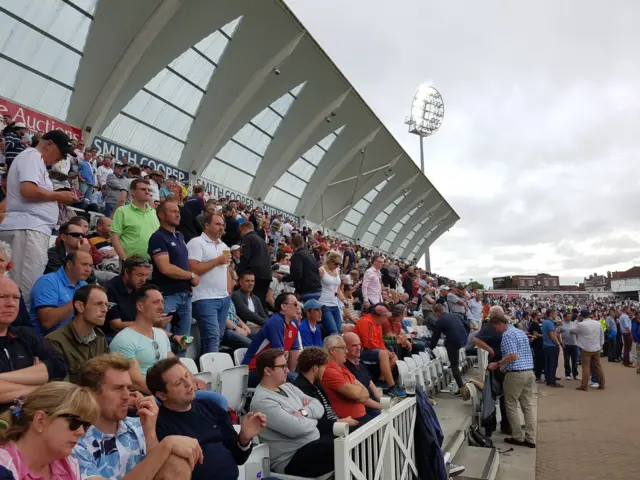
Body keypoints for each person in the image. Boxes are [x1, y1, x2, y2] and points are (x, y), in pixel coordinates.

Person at [73, 354, 202, 480]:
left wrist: (150, 433)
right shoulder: (75, 442)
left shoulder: (139, 424)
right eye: (118, 388)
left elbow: (162, 472)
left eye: (128, 388)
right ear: (91, 394)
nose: (126, 395)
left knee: (176, 462)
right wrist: (166, 445)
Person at [147, 357, 267, 480]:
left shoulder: (211, 407)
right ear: (162, 395)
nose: (188, 383)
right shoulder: (159, 424)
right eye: (178, 383)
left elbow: (238, 458)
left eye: (187, 376)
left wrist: (244, 438)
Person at [0, 130, 76, 308]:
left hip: (28, 227)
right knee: (23, 291)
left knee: (16, 288)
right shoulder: (33, 156)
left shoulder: (34, 160)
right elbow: (28, 191)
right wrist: (59, 197)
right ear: (48, 144)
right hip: (28, 228)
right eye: (61, 152)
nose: (61, 158)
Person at [250, 349, 334, 476]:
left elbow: (318, 405)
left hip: (313, 444)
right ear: (267, 371)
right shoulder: (262, 402)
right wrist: (313, 416)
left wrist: (304, 413)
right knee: (339, 447)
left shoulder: (288, 386)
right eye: (283, 366)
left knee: (352, 432)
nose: (288, 370)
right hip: (291, 459)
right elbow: (297, 429)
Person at [0, 382, 99, 480]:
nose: (81, 432)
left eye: (85, 425)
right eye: (75, 422)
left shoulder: (69, 465)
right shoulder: (4, 467)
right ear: (40, 420)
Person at [0, 276, 67, 411]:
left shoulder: (26, 335)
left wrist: (3, 379)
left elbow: (59, 366)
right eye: (2, 297)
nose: (11, 303)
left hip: (30, 419)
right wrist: (38, 385)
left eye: (16, 298)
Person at [148, 200, 199, 342]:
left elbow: (183, 263)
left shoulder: (180, 236)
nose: (178, 215)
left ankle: (180, 363)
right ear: (161, 215)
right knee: (162, 339)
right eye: (173, 212)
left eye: (178, 212)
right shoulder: (157, 237)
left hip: (185, 294)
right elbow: (165, 268)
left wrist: (188, 284)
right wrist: (191, 275)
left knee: (184, 341)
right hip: (168, 296)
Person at [487, 316, 536, 449]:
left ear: (500, 324)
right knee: (527, 406)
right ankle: (530, 438)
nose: (496, 330)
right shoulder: (520, 332)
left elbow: (513, 355)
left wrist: (498, 364)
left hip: (515, 374)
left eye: (495, 327)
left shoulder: (507, 335)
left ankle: (517, 436)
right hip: (529, 371)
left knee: (511, 405)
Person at [45, 285, 110, 384]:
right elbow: (61, 388)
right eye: (98, 304)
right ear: (80, 306)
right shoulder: (55, 341)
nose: (105, 309)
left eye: (106, 305)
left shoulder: (99, 336)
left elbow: (108, 374)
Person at [187, 212, 232, 353]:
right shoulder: (196, 243)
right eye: (217, 224)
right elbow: (192, 269)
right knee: (212, 337)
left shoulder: (224, 246)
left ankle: (207, 365)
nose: (221, 228)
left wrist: (228, 291)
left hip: (223, 298)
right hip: (204, 298)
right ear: (206, 225)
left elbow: (227, 269)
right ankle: (212, 370)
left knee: (217, 337)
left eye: (223, 225)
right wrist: (217, 261)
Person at [293, 347, 359, 435]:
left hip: (334, 424)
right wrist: (339, 421)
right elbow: (314, 421)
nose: (325, 370)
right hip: (324, 432)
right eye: (323, 367)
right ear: (315, 368)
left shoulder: (317, 384)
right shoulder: (300, 389)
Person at [242, 292, 300, 387]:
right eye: (295, 304)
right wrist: (290, 376)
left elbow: (294, 352)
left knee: (302, 380)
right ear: (284, 306)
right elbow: (278, 354)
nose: (298, 307)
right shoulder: (276, 322)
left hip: (274, 369)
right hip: (254, 371)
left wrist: (291, 373)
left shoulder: (293, 323)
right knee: (298, 381)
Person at [30, 251, 93, 335]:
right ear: (69, 264)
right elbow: (47, 322)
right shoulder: (48, 282)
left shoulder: (83, 285)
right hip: (48, 342)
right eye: (84, 264)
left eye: (90, 265)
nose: (88, 269)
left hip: (76, 337)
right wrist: (77, 299)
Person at [322, 335, 378, 426]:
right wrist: (359, 393)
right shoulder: (328, 371)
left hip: (361, 418)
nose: (346, 351)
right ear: (332, 350)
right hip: (350, 423)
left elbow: (365, 392)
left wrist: (360, 393)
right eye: (343, 348)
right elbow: (356, 394)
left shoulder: (342, 367)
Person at [472, 306, 511, 435]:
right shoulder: (488, 327)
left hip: (503, 363)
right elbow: (475, 339)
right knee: (496, 395)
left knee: (504, 396)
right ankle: (493, 425)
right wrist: (490, 350)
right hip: (496, 364)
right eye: (501, 315)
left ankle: (504, 424)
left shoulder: (503, 328)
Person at [353, 303, 406, 398]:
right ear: (378, 316)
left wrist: (387, 351)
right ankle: (392, 387)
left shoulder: (378, 324)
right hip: (359, 351)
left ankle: (380, 382)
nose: (386, 319)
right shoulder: (365, 322)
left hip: (370, 350)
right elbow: (368, 344)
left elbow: (380, 342)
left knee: (393, 357)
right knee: (383, 354)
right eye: (385, 316)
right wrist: (384, 351)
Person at [105, 255, 155, 338]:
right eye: (139, 275)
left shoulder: (141, 287)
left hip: (137, 333)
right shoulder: (110, 290)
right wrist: (148, 323)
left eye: (146, 275)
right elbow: (116, 325)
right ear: (126, 273)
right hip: (115, 337)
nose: (143, 280)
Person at [111, 178, 160, 259]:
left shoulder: (154, 213)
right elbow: (114, 237)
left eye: (149, 190)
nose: (147, 192)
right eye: (143, 189)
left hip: (154, 263)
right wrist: (124, 259)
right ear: (132, 192)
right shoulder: (122, 211)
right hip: (131, 264)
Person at [430, 303, 469, 393]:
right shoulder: (455, 315)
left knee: (454, 365)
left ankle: (461, 388)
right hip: (462, 339)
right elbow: (467, 325)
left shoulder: (440, 321)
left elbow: (435, 336)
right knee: (447, 343)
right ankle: (453, 361)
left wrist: (431, 347)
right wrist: (465, 335)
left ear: (437, 313)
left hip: (453, 341)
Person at [236, 221, 271, 308]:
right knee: (260, 303)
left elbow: (245, 258)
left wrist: (239, 274)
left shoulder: (247, 238)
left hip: (254, 275)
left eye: (240, 232)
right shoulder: (262, 240)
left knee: (252, 302)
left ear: (244, 229)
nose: (240, 234)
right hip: (266, 275)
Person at [570, 310, 605, 391]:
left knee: (586, 367)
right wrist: (600, 345)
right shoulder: (597, 323)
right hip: (596, 348)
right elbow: (601, 335)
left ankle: (584, 385)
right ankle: (602, 384)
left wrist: (576, 321)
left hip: (585, 348)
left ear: (581, 316)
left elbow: (571, 330)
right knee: (598, 366)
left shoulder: (581, 324)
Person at [281, 234, 321, 303]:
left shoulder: (297, 255)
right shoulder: (310, 255)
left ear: (292, 244)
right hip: (317, 290)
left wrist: (283, 278)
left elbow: (297, 274)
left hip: (307, 291)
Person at [318, 251, 344, 336]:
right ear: (330, 261)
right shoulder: (321, 270)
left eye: (339, 264)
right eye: (336, 263)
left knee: (339, 331)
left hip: (335, 304)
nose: (337, 266)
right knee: (333, 332)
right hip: (324, 304)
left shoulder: (336, 271)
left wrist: (344, 300)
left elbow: (338, 289)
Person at [541, 309, 563, 388]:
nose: (555, 316)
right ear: (552, 314)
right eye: (555, 314)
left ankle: (548, 379)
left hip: (546, 345)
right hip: (551, 345)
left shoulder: (545, 322)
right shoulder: (550, 323)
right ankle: (552, 381)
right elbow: (552, 335)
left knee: (548, 363)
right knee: (553, 364)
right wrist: (557, 343)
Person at [556, 312, 579, 380]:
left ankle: (575, 374)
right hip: (566, 345)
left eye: (570, 316)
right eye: (569, 316)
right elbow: (557, 334)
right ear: (564, 317)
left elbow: (577, 332)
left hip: (574, 344)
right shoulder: (561, 324)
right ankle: (567, 374)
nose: (570, 317)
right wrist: (561, 343)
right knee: (566, 360)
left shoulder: (573, 324)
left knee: (574, 360)